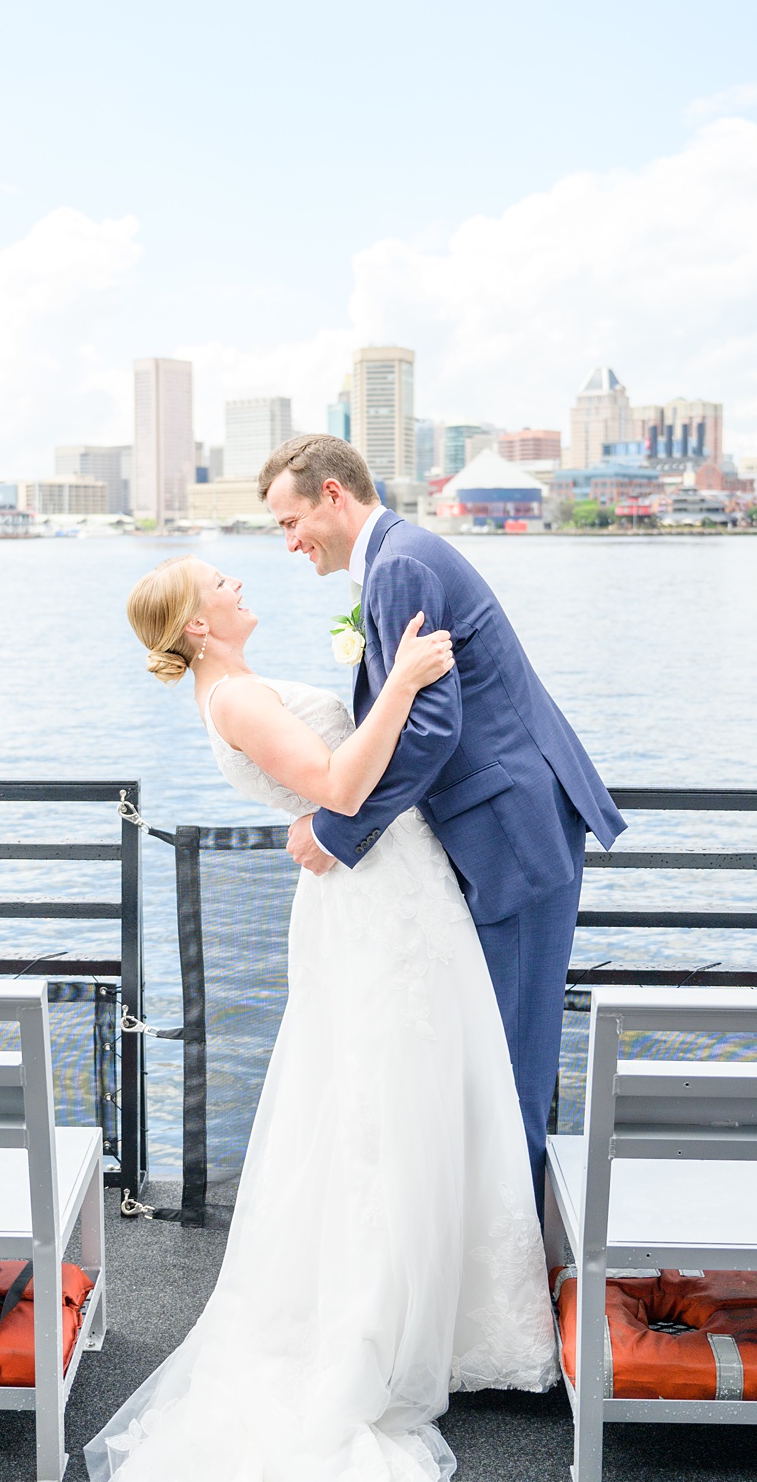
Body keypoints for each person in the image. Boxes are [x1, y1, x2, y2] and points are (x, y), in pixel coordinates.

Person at [87, 550, 557, 1480]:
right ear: (194, 623)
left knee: (425, 1089)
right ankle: (386, 1324)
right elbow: (339, 787)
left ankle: (446, 1316)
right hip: (374, 897)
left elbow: (335, 786)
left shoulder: (238, 687)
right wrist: (406, 684)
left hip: (391, 885)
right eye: (217, 583)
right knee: (386, 1106)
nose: (235, 585)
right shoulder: (235, 700)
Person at [260, 433, 625, 1194]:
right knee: (490, 1053)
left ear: (334, 495)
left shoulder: (400, 567)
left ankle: (522, 1282)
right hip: (498, 823)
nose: (289, 542)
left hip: (512, 833)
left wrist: (337, 829)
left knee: (511, 1060)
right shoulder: (398, 557)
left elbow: (430, 728)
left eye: (290, 522)